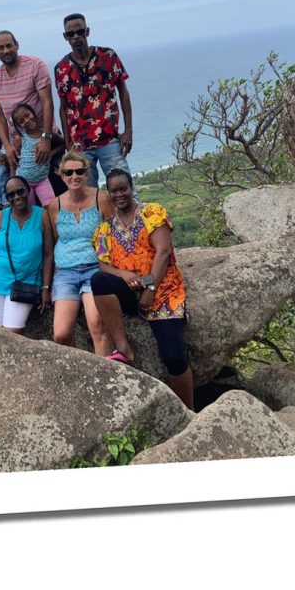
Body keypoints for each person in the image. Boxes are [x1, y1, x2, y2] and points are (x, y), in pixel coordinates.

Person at [91, 169, 194, 410]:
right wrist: (123, 274)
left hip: (164, 292)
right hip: (132, 290)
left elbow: (164, 252)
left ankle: (188, 411)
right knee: (99, 280)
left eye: (123, 188)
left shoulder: (151, 213)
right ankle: (123, 347)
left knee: (173, 356)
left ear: (131, 187)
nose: (119, 194)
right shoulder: (105, 229)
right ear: (109, 194)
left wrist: (150, 288)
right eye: (114, 190)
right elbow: (103, 264)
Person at [46, 151, 115, 358]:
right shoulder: (55, 205)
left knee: (97, 325)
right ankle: (81, 369)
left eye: (79, 171)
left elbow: (113, 233)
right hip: (66, 273)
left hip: (95, 269)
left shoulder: (100, 198)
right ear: (62, 175)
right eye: (69, 172)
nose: (74, 176)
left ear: (86, 173)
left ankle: (105, 372)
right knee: (60, 334)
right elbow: (57, 239)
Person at [0, 175, 54, 333]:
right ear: (7, 198)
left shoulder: (42, 216)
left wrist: (46, 287)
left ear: (28, 191)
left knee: (12, 333)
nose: (17, 197)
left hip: (26, 283)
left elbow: (48, 254)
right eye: (11, 195)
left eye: (20, 191)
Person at [53, 13, 134, 188]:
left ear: (87, 31)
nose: (76, 37)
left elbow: (123, 92)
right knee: (88, 197)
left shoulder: (108, 56)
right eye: (70, 34)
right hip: (80, 145)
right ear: (65, 37)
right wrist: (68, 144)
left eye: (80, 31)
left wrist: (128, 131)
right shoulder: (61, 68)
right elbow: (63, 107)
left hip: (110, 140)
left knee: (125, 190)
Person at [0, 30, 57, 174]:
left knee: (56, 190)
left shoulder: (35, 65)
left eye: (9, 45)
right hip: (20, 148)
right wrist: (7, 146)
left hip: (45, 140)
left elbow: (47, 103)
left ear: (17, 45)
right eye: (1, 47)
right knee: (25, 192)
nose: (6, 50)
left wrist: (46, 138)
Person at [10, 102, 60, 206]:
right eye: (22, 121)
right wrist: (11, 182)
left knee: (51, 206)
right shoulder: (20, 139)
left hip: (42, 180)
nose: (27, 121)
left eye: (27, 115)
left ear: (34, 113)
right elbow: (14, 161)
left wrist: (51, 153)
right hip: (24, 181)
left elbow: (64, 143)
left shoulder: (47, 135)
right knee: (29, 209)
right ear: (19, 126)